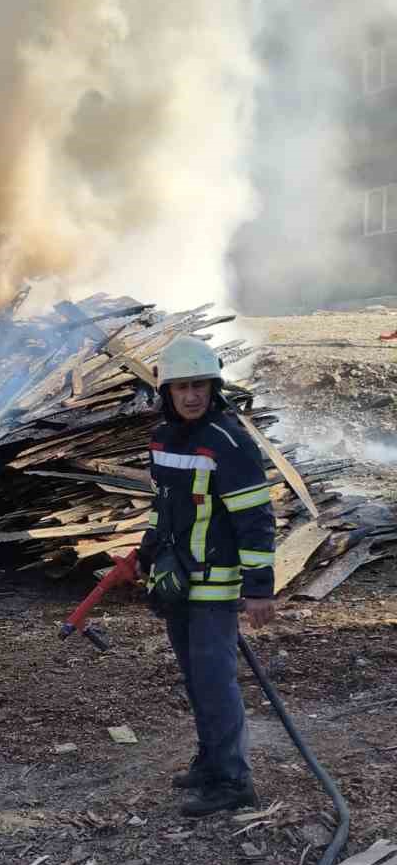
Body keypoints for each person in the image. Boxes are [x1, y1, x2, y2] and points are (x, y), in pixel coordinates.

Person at [138, 335, 276, 817]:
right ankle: (210, 761)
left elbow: (255, 518)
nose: (192, 395)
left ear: (213, 388)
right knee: (196, 677)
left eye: (200, 385)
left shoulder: (228, 441)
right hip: (179, 582)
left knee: (216, 680)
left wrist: (259, 588)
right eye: (182, 388)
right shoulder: (163, 440)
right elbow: (164, 507)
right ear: (167, 394)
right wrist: (147, 553)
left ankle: (234, 780)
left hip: (216, 585)